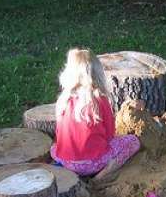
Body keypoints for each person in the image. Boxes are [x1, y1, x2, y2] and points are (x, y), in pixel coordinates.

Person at [51, 48, 140, 180]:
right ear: (97, 73)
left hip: (65, 161)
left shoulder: (63, 100)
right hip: (92, 163)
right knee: (133, 142)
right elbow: (110, 135)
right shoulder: (99, 99)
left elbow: (59, 134)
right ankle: (101, 176)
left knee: (53, 147)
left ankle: (67, 170)